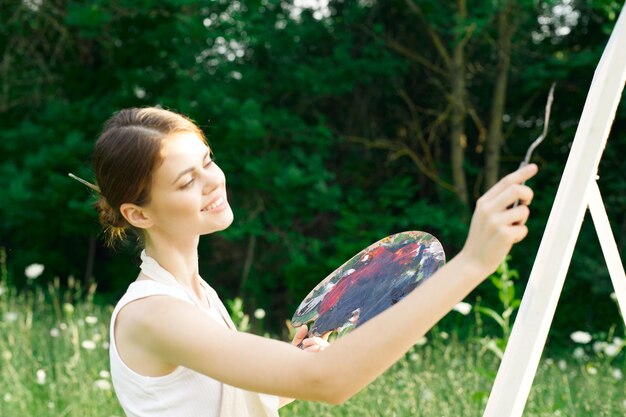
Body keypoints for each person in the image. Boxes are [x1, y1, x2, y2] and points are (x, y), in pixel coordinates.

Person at [75, 106, 537, 417]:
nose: (213, 182)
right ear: (139, 213)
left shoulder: (197, 297)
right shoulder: (154, 314)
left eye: (208, 160)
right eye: (185, 181)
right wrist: (471, 264)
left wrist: (288, 374)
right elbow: (330, 382)